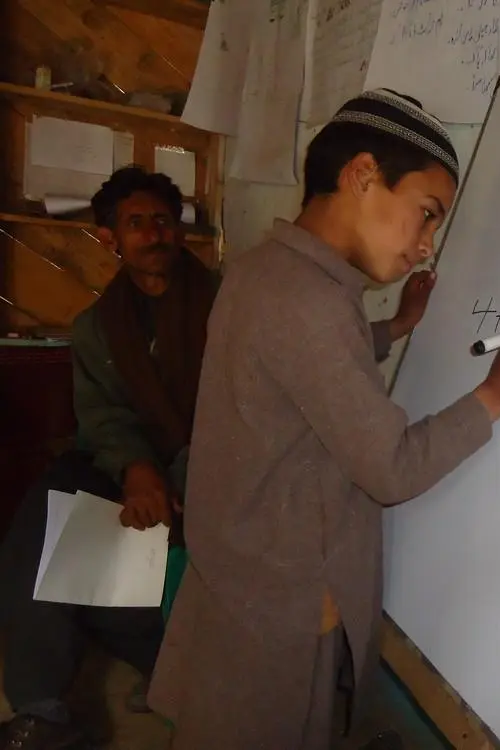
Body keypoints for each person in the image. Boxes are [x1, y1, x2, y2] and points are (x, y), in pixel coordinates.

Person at [148, 89, 500, 749]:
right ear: (363, 175)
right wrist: (498, 393)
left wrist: (394, 327)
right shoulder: (311, 301)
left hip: (241, 580)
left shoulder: (265, 271)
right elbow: (391, 468)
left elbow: (303, 370)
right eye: (427, 215)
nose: (427, 246)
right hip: (282, 605)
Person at [0, 166, 217, 750]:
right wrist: (135, 468)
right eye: (136, 222)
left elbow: (242, 404)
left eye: (163, 221)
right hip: (124, 459)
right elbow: (101, 415)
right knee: (48, 513)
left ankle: (171, 667)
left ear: (180, 231)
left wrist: (177, 475)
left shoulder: (228, 305)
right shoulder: (97, 327)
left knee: (159, 561)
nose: (153, 233)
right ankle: (41, 711)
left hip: (212, 461)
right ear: (110, 237)